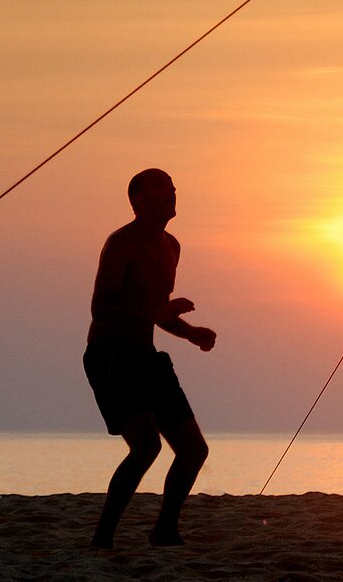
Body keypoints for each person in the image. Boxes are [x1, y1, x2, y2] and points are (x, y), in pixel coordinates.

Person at [83, 168, 217, 549]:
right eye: (162, 189)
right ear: (138, 199)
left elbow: (156, 310)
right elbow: (102, 309)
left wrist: (191, 333)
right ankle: (103, 538)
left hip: (146, 355)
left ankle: (164, 530)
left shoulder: (171, 246)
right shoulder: (121, 243)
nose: (172, 194)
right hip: (111, 356)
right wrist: (159, 313)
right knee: (146, 448)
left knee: (194, 450)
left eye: (173, 188)